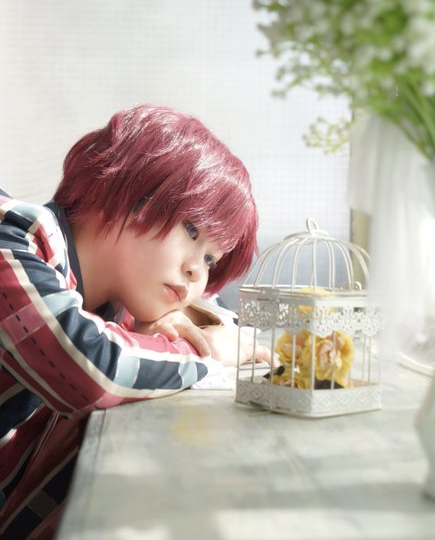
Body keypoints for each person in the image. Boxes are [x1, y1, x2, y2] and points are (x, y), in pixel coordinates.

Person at [0, 104, 270, 539]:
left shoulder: (110, 305)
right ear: (125, 185)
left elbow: (222, 317)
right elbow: (89, 369)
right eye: (191, 229)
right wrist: (204, 352)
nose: (196, 271)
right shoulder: (14, 237)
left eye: (210, 259)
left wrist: (175, 323)